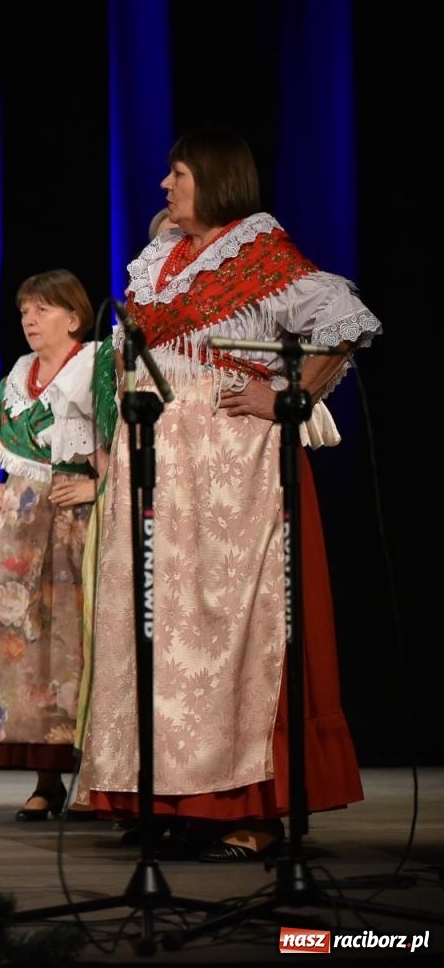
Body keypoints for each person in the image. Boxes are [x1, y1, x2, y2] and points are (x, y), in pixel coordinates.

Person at [76, 128, 378, 861]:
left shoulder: (259, 251)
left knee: (230, 629)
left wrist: (287, 398)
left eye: (177, 173)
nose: (164, 185)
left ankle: (250, 808)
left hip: (230, 468)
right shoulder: (161, 258)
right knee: (159, 630)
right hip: (159, 464)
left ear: (212, 179)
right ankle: (173, 799)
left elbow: (344, 321)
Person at [0, 270, 102, 819]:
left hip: (75, 528)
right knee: (26, 651)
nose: (30, 320)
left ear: (74, 317)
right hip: (17, 530)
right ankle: (47, 779)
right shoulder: (20, 377)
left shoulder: (95, 368)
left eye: (42, 309)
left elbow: (127, 442)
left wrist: (96, 486)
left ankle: (94, 779)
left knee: (74, 645)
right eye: (24, 311)